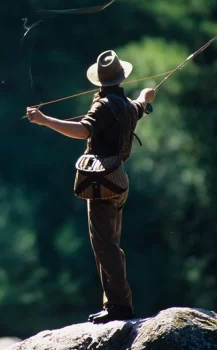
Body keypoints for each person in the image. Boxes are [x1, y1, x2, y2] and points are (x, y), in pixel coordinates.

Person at [26, 49, 156, 324]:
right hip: (119, 181)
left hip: (102, 183)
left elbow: (82, 130)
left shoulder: (102, 106)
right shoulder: (128, 105)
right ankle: (115, 304)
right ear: (121, 78)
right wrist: (147, 95)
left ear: (99, 81)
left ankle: (119, 307)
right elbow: (142, 103)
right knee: (110, 243)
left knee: (104, 246)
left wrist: (44, 120)